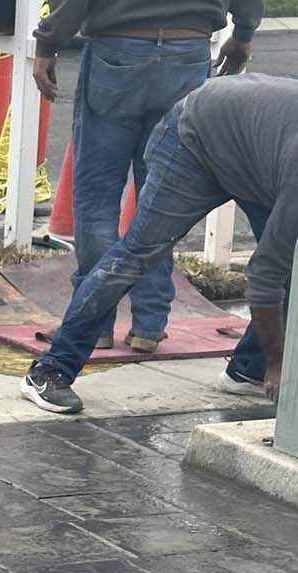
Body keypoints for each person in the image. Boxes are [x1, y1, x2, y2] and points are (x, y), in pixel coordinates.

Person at [22, 74, 298, 415]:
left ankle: (248, 370)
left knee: (291, 267)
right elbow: (265, 275)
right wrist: (279, 361)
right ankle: (51, 369)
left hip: (254, 157)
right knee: (136, 256)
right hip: (195, 140)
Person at [33, 0, 260, 352]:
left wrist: (49, 42)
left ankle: (94, 323)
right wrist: (243, 31)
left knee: (97, 199)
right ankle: (149, 325)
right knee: (162, 195)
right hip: (189, 47)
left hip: (118, 47)